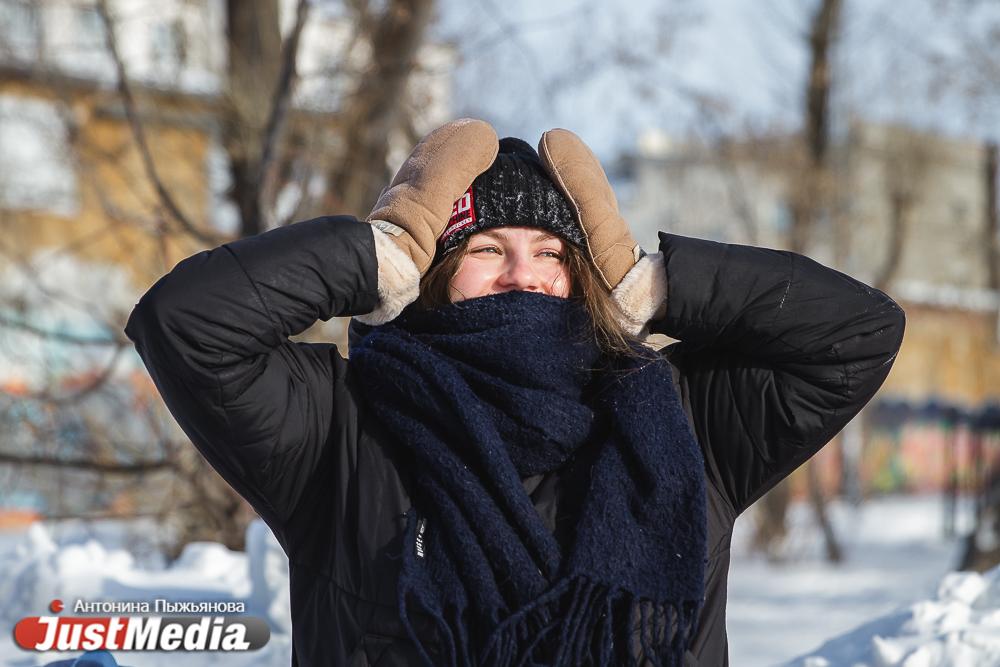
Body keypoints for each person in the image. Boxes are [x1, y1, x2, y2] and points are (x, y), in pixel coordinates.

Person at [124, 119, 905, 666]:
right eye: (486, 248)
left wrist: (656, 282)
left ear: (585, 275)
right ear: (430, 272)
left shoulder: (676, 416)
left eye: (553, 254)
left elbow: (856, 334)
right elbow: (184, 324)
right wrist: (380, 246)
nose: (522, 275)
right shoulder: (342, 426)